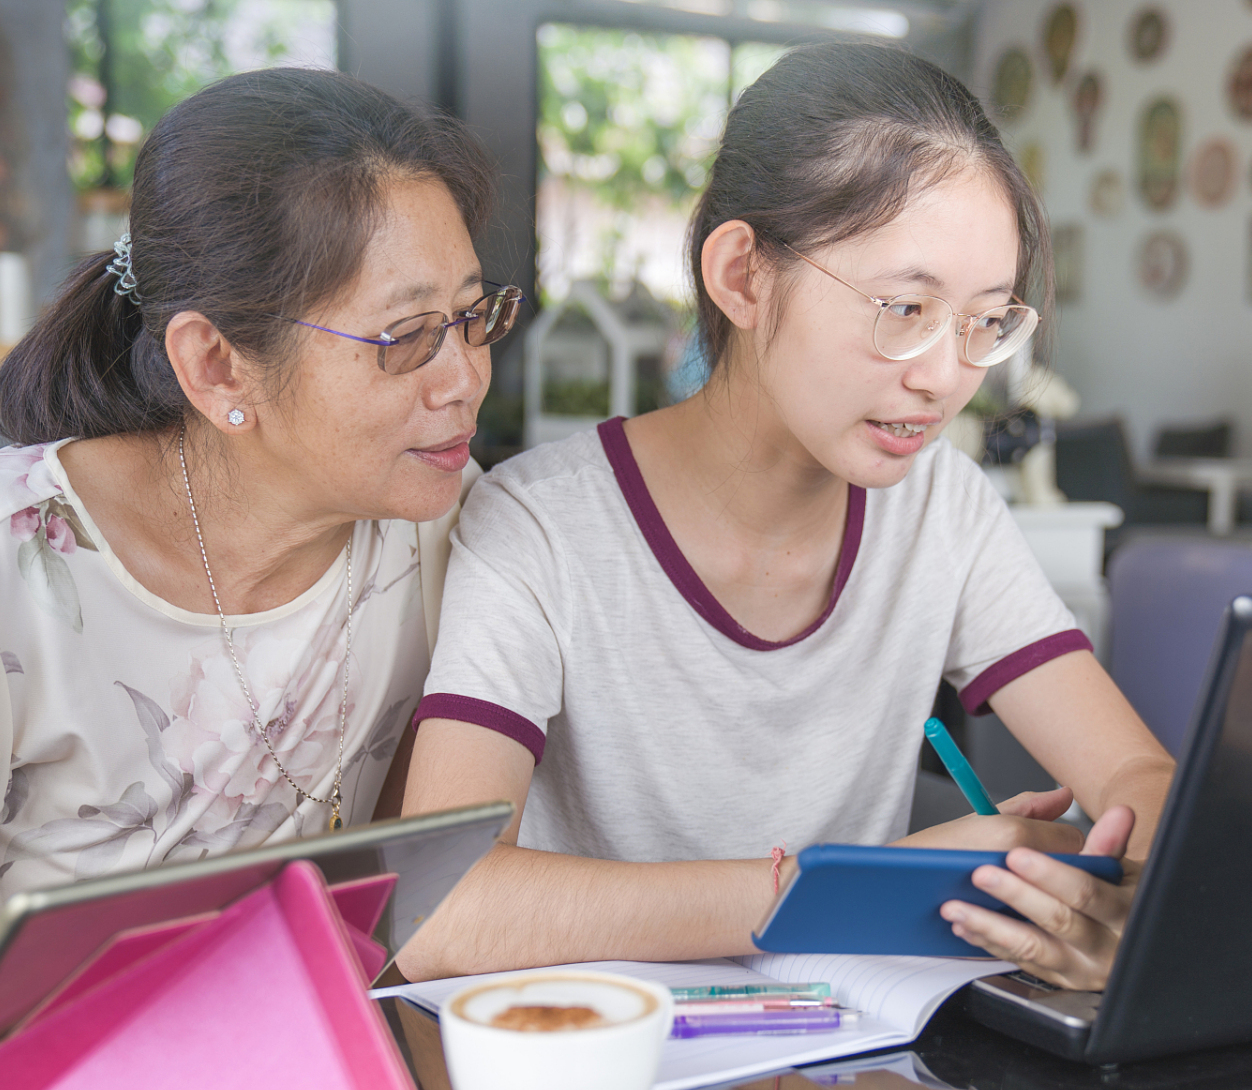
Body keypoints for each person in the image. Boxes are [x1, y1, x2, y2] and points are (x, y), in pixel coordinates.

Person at [399, 42, 1174, 990]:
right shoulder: (539, 526)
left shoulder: (945, 512)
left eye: (985, 320)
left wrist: (1114, 902)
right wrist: (839, 888)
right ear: (744, 277)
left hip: (858, 1075)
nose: (944, 377)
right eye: (903, 307)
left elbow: (1139, 781)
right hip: (605, 1076)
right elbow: (439, 908)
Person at [0, 68, 516, 1078]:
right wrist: (139, 1047)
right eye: (404, 338)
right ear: (219, 367)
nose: (465, 379)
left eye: (471, 315)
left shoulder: (437, 528)